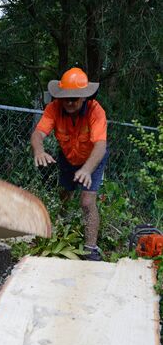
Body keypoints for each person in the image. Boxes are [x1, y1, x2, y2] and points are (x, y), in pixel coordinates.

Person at [30, 67, 108, 261]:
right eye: (66, 98)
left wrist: (87, 170)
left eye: (74, 99)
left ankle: (91, 249)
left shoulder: (96, 111)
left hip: (93, 159)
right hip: (67, 157)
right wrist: (39, 151)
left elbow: (100, 146)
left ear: (84, 97)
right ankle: (63, 225)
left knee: (87, 202)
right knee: (64, 193)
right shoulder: (54, 108)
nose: (69, 103)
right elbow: (38, 134)